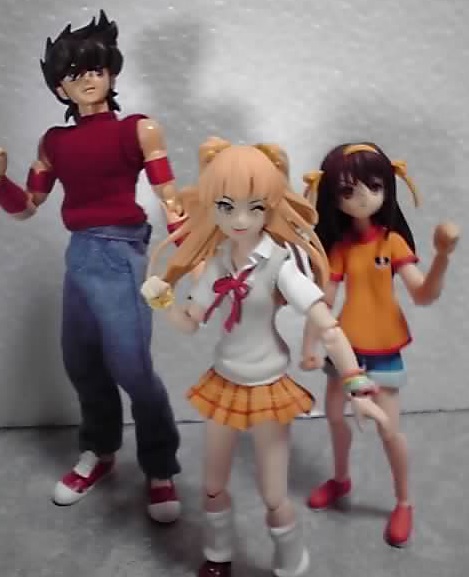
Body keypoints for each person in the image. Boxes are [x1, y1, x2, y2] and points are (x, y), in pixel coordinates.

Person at [141, 137, 387, 577]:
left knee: (274, 495)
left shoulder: (279, 264)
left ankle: (291, 562)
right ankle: (217, 557)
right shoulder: (218, 261)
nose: (240, 220)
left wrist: (355, 385)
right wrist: (162, 302)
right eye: (226, 206)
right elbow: (191, 321)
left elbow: (327, 325)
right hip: (224, 381)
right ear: (212, 207)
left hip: (269, 385)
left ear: (270, 207)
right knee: (212, 486)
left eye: (254, 208)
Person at [0, 10, 182, 523]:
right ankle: (100, 450)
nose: (86, 80)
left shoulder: (138, 130)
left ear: (112, 73)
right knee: (80, 361)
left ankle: (160, 468)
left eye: (95, 69)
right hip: (79, 254)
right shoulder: (53, 143)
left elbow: (170, 198)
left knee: (133, 367)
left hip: (122, 254)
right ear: (59, 87)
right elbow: (27, 206)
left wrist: (185, 234)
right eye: (73, 74)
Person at [302, 142, 459, 547]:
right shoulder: (340, 248)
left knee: (389, 430)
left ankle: (404, 501)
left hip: (385, 346)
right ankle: (341, 478)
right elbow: (323, 301)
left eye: (374, 186)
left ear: (388, 186)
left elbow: (423, 294)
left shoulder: (392, 243)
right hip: (345, 350)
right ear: (333, 197)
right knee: (334, 416)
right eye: (348, 190)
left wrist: (442, 258)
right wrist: (310, 344)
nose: (363, 198)